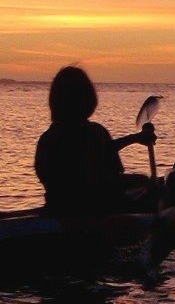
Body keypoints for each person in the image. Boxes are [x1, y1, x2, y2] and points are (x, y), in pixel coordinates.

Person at [34, 66, 156, 217]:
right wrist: (141, 180)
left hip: (58, 208)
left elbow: (102, 150)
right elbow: (98, 174)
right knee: (144, 183)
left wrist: (135, 138)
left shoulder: (47, 138)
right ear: (87, 98)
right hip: (94, 210)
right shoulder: (94, 132)